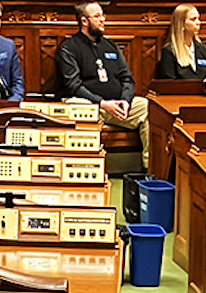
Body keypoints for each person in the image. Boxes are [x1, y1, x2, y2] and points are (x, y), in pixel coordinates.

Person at [58, 1, 150, 168]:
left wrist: (125, 101)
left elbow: (127, 78)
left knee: (147, 107)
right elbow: (73, 86)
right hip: (93, 105)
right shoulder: (69, 48)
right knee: (79, 107)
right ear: (84, 21)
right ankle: (88, 167)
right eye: (97, 16)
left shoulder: (111, 46)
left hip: (117, 105)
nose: (102, 20)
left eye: (103, 15)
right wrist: (102, 103)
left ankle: (148, 169)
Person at [158, 4, 206, 80]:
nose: (198, 22)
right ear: (182, 24)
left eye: (198, 18)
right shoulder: (169, 51)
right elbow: (169, 83)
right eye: (193, 19)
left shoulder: (203, 50)